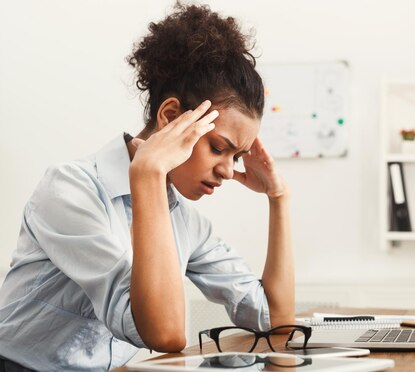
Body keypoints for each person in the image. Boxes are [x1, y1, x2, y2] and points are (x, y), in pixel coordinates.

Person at [0, 3, 294, 371]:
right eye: (218, 148)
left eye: (237, 156)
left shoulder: (185, 222)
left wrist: (277, 197)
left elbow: (276, 320)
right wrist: (149, 173)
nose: (226, 171)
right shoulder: (69, 189)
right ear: (171, 116)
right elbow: (165, 335)